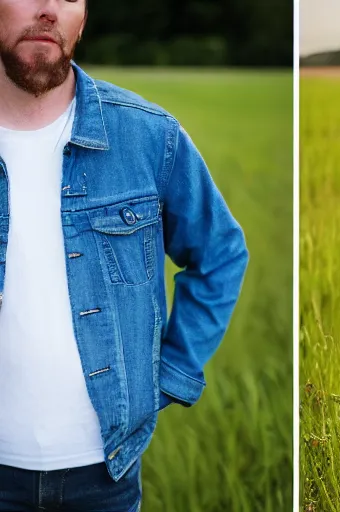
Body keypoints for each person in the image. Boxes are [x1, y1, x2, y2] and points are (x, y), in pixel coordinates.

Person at [0, 1, 248, 510]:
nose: (48, 9)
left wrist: (170, 372)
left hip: (105, 476)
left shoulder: (148, 136)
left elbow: (220, 253)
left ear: (83, 17)